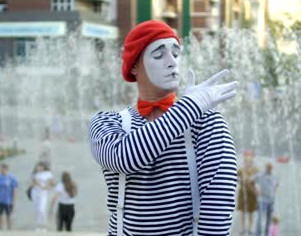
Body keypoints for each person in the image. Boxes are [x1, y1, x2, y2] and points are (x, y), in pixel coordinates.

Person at [89, 20, 238, 235]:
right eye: (159, 55)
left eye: (176, 53)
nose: (172, 62)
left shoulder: (208, 123)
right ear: (133, 66)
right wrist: (190, 106)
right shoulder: (107, 122)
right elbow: (123, 158)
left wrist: (191, 109)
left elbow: (217, 215)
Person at [237, 150, 259, 235]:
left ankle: (250, 228)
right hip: (242, 193)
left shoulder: (255, 170)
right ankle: (242, 229)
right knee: (242, 212)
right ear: (244, 161)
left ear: (252, 161)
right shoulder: (241, 170)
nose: (248, 162)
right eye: (246, 161)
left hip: (252, 194)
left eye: (250, 161)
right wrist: (241, 180)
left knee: (251, 212)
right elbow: (235, 177)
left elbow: (259, 180)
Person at [254, 163, 279, 236]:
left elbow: (277, 183)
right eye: (268, 168)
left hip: (271, 200)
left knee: (269, 219)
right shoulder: (260, 175)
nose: (269, 169)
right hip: (262, 200)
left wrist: (274, 191)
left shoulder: (274, 175)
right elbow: (251, 181)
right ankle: (257, 234)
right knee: (260, 219)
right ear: (266, 168)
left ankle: (267, 234)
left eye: (270, 168)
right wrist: (256, 191)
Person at [0, 163, 18, 230]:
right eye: (0, 168)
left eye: (1, 168)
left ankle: (9, 230)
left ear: (6, 169)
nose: (0, 170)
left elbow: (15, 189)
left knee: (9, 216)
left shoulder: (12, 178)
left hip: (8, 200)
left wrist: (13, 200)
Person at [32, 161, 54, 232]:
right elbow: (34, 182)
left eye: (41, 166)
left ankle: (44, 226)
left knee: (42, 209)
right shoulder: (36, 174)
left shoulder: (48, 174)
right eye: (39, 166)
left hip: (44, 194)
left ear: (44, 167)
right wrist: (40, 185)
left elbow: (50, 183)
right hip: (36, 193)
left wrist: (45, 187)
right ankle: (38, 226)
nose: (40, 168)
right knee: (36, 209)